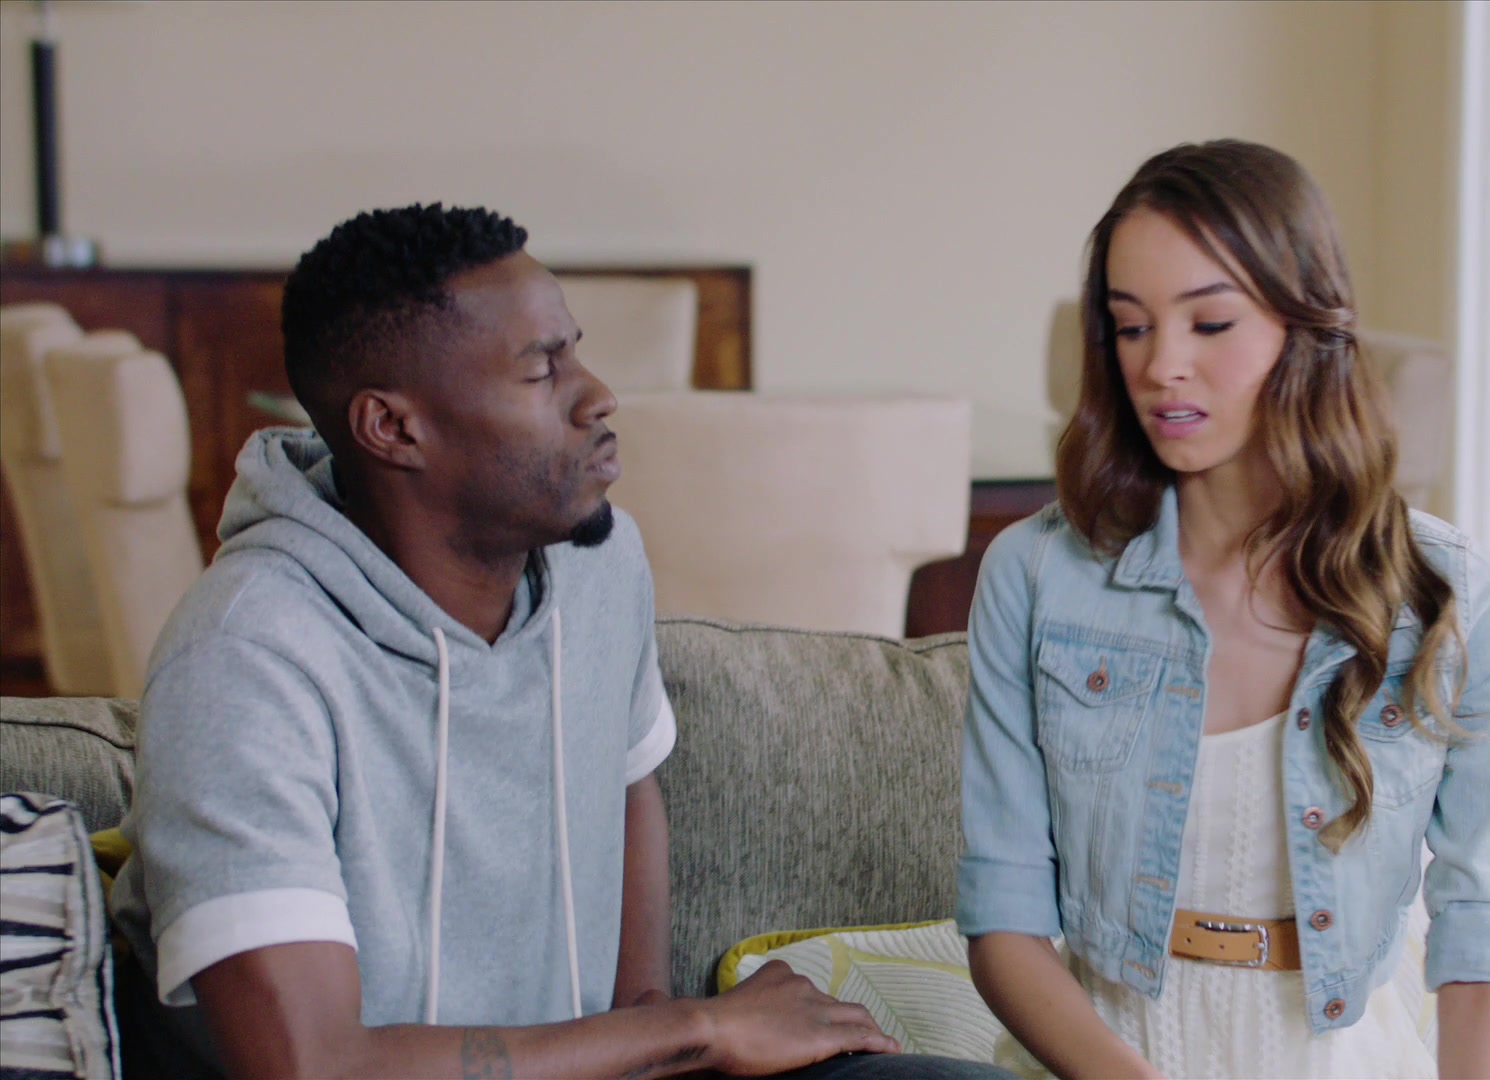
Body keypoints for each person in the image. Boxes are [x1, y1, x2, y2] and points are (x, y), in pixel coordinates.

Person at [110, 203, 1004, 1080]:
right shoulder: (243, 658)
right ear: (394, 428)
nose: (598, 394)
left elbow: (628, 783)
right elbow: (313, 1066)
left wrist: (650, 1028)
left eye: (574, 349)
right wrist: (695, 1031)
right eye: (542, 369)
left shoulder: (599, 565)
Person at [956, 141, 1490, 1080]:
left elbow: (1486, 938)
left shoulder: (1458, 596)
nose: (1162, 366)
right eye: (1131, 327)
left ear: (1303, 326)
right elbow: (1004, 922)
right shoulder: (1035, 577)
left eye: (1211, 323)